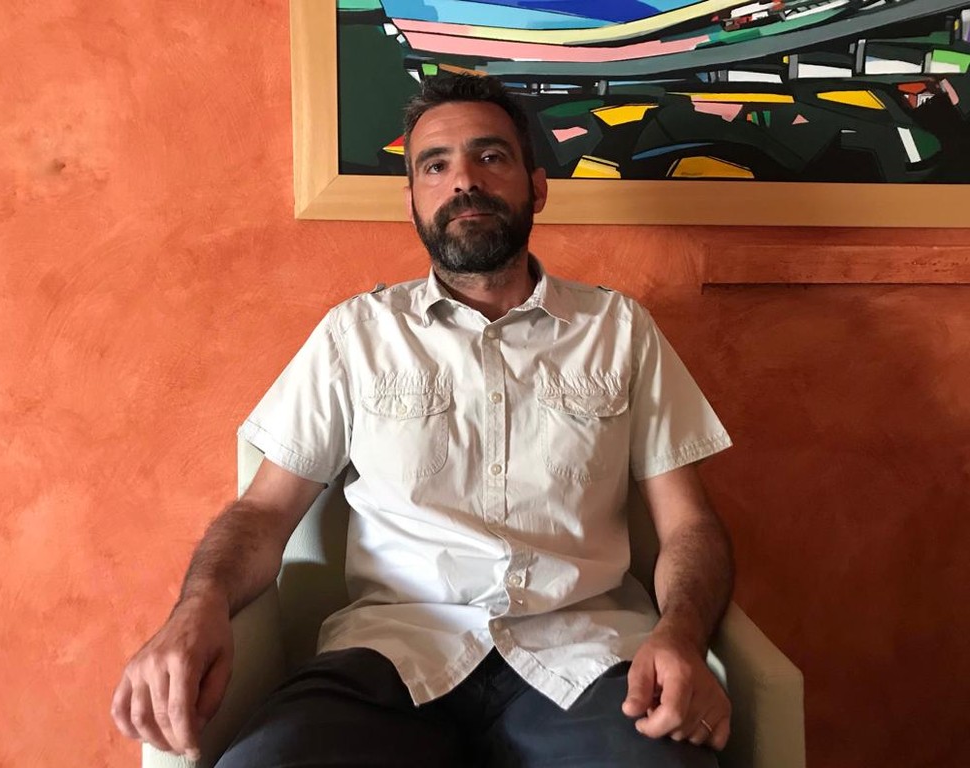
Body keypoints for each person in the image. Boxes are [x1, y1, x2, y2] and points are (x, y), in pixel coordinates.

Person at [112, 74, 735, 768]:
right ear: (411, 199)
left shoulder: (620, 331)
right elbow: (263, 512)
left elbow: (689, 524)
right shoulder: (355, 335)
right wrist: (197, 605)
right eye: (435, 165)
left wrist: (682, 635)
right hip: (387, 662)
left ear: (537, 186)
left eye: (490, 156)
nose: (463, 180)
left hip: (586, 660)